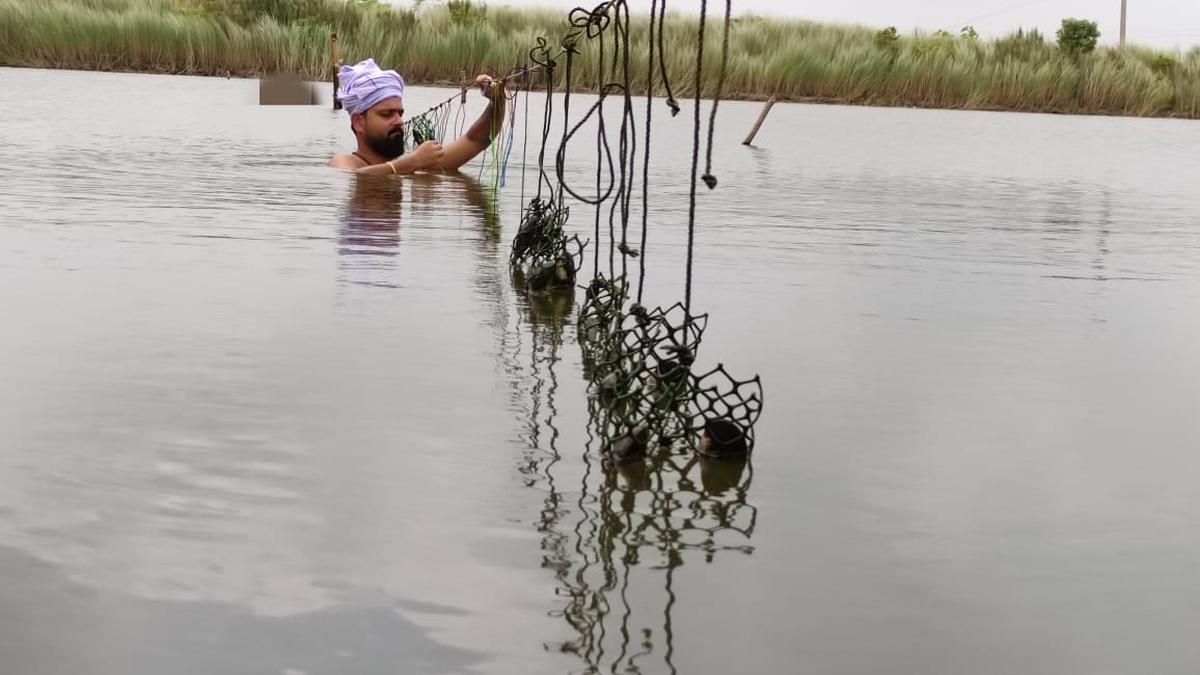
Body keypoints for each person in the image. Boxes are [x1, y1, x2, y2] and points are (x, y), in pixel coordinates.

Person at [328, 58, 506, 174]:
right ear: (358, 122)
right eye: (386, 114)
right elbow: (355, 178)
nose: (398, 121)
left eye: (400, 113)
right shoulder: (343, 163)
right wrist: (415, 160)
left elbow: (476, 140)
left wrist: (497, 100)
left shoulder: (418, 166)